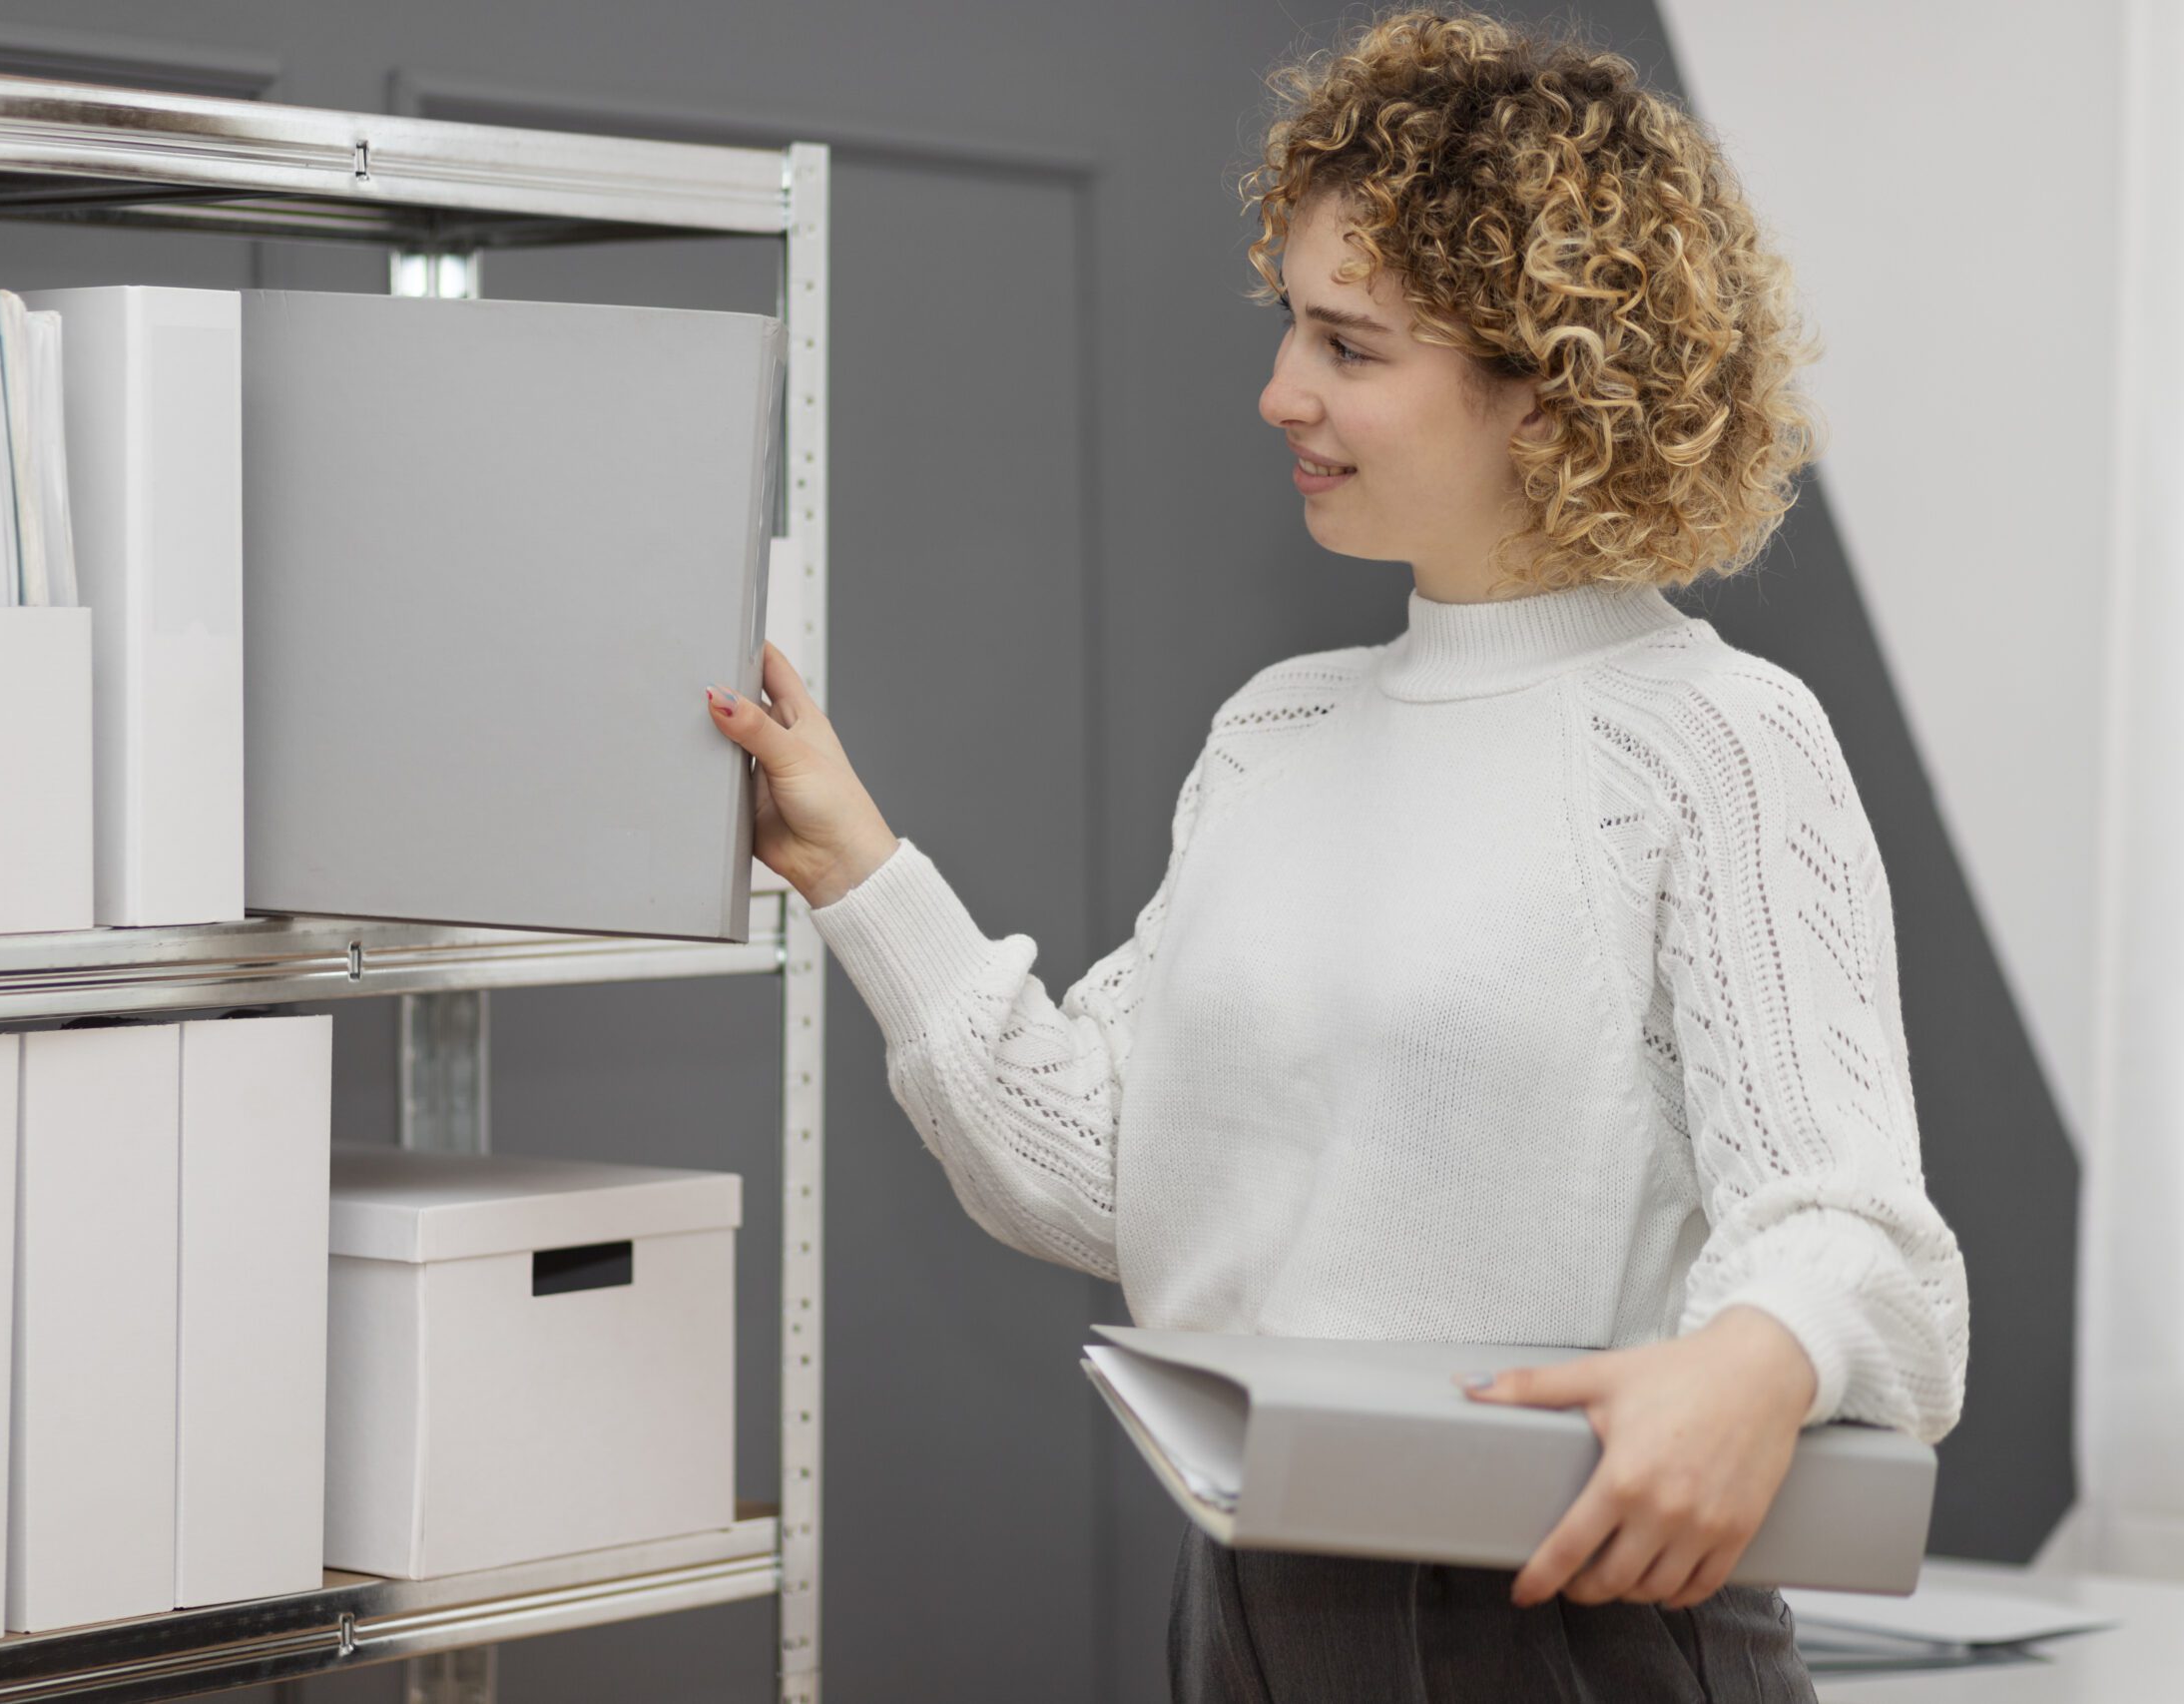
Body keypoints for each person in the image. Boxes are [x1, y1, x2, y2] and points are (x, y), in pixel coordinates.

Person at [701, 4, 1969, 1697]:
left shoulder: (1715, 744)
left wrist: (1758, 1360)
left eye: (1349, 347)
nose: (1280, 389)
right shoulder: (1274, 733)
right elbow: (1105, 1178)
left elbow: (1861, 1233)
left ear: (1550, 387)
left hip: (1577, 1614)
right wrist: (862, 874)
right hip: (1250, 1603)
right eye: (1291, 326)